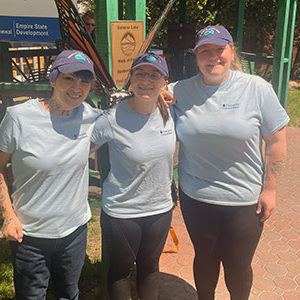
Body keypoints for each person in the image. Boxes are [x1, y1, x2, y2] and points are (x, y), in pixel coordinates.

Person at [168, 25, 289, 300]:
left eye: (219, 50)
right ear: (196, 56)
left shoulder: (255, 88)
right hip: (196, 196)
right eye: (205, 52)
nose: (213, 58)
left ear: (231, 52)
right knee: (205, 258)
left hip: (243, 201)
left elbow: (276, 141)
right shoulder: (180, 91)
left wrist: (270, 188)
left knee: (237, 265)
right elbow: (148, 96)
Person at [0, 49, 101, 300]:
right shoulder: (19, 118)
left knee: (69, 293)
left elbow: (136, 109)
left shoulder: (91, 117)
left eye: (84, 81)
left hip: (74, 231)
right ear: (52, 79)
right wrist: (8, 217)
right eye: (69, 78)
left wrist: (161, 92)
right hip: (29, 233)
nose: (77, 87)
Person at [91, 53, 176, 300]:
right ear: (130, 79)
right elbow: (79, 149)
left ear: (164, 82)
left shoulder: (172, 113)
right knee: (120, 272)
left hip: (160, 208)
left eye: (154, 75)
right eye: (140, 74)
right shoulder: (111, 119)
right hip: (122, 211)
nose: (146, 80)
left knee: (150, 270)